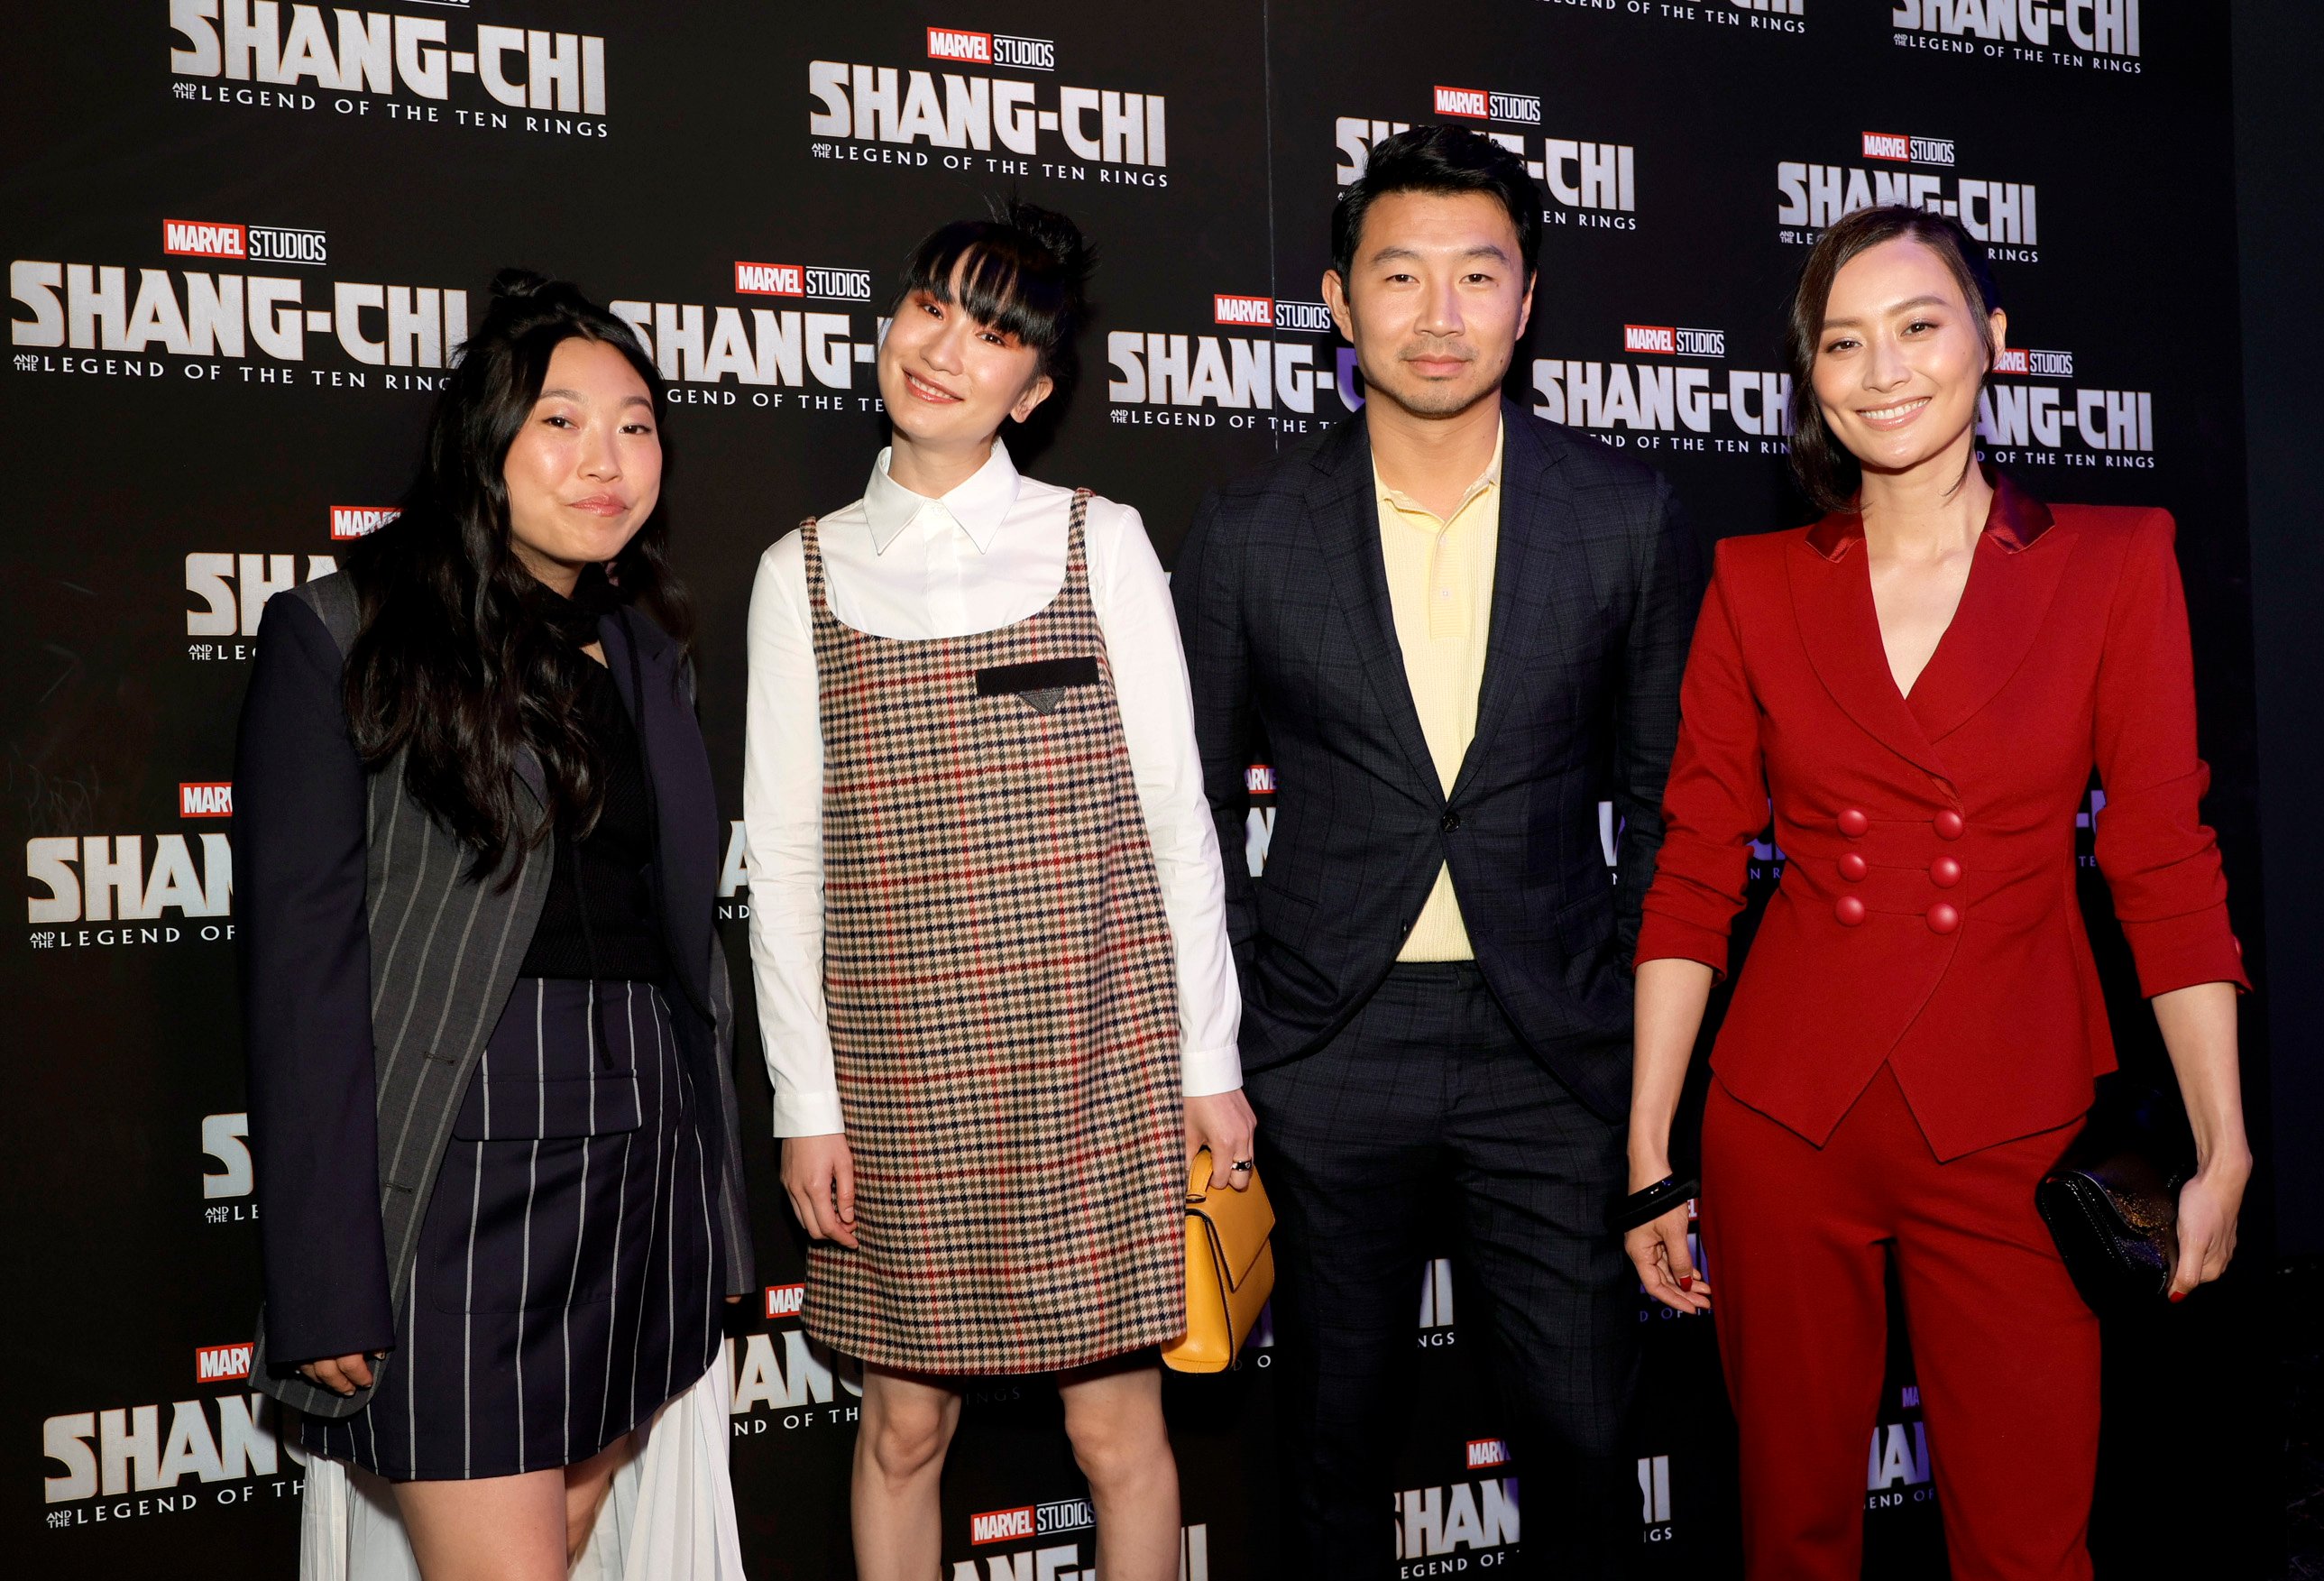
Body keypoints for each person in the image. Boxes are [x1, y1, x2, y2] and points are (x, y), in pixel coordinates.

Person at [1623, 205, 2251, 1580]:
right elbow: (1692, 868)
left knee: (2029, 1543)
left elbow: (2162, 859)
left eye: (1918, 325)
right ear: (1810, 377)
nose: (1882, 368)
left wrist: (2223, 1139)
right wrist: (1647, 1143)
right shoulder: (1751, 584)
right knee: (1791, 1536)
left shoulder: (2113, 560)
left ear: (1992, 344)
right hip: (1782, 1116)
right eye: (1841, 341)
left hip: (2012, 1122)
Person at [1171, 125, 1704, 1578]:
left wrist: (1643, 1059)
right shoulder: (1248, 530)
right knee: (1333, 1442)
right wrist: (1228, 1038)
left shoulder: (1625, 518)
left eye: (1478, 275)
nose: (1439, 312)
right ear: (1339, 303)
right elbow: (1189, 805)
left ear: (1527, 300)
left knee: (1589, 1438)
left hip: (1555, 1048)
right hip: (1325, 1045)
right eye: (1398, 275)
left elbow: (1669, 805)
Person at [742, 201, 1250, 1581]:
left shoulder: (1100, 540)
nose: (945, 349)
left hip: (1097, 1055)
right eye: (931, 307)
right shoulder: (798, 572)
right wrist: (807, 1102)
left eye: (994, 332)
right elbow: (784, 863)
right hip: (899, 1072)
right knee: (902, 1428)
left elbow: (1173, 818)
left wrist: (1209, 1061)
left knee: (1116, 1432)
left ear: (1033, 389)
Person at [237, 271, 756, 1580]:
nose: (606, 460)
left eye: (636, 426)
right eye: (561, 424)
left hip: (646, 1157)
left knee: (571, 1539)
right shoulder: (344, 631)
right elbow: (301, 972)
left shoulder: (646, 651)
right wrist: (322, 1274)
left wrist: (714, 1203)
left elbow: (679, 941)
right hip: (461, 1168)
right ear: (487, 447)